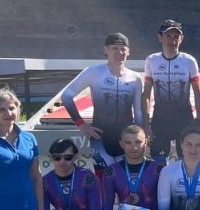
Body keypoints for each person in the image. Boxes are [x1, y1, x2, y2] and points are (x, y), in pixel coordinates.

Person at [60, 32, 143, 167]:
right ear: (105, 50)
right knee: (102, 180)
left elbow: (138, 111)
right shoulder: (94, 72)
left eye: (123, 49)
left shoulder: (135, 78)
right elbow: (66, 96)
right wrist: (81, 124)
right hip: (100, 136)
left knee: (125, 181)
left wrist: (140, 135)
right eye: (114, 48)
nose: (119, 52)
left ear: (128, 51)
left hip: (127, 139)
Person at [142, 19, 200, 159]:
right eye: (168, 36)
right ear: (160, 37)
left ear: (181, 39)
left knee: (186, 161)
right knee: (158, 163)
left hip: (184, 118)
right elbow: (146, 94)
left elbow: (197, 93)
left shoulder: (189, 61)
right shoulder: (151, 60)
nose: (172, 40)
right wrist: (146, 124)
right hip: (160, 119)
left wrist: (198, 119)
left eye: (176, 37)